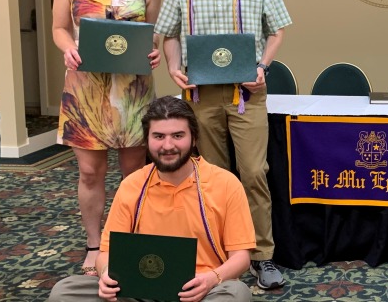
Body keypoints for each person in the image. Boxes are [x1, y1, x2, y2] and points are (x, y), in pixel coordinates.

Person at [154, 0, 292, 289]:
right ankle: (216, 253)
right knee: (210, 176)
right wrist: (173, 67)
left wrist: (262, 66)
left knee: (253, 173)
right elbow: (167, 32)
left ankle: (262, 257)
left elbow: (277, 29)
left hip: (246, 93)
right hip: (200, 96)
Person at [48, 96, 256, 302]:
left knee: (236, 293)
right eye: (158, 136)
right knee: (65, 291)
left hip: (199, 291)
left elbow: (241, 257)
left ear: (194, 139)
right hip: (137, 288)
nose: (167, 146)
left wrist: (212, 279)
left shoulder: (226, 184)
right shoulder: (132, 184)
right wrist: (105, 274)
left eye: (177, 135)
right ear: (147, 140)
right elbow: (106, 253)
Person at [51, 0, 161, 276]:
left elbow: (153, 36)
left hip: (133, 92)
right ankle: (95, 245)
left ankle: (128, 241)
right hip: (86, 89)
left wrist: (155, 53)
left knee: (135, 174)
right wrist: (67, 47)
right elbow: (60, 27)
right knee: (89, 173)